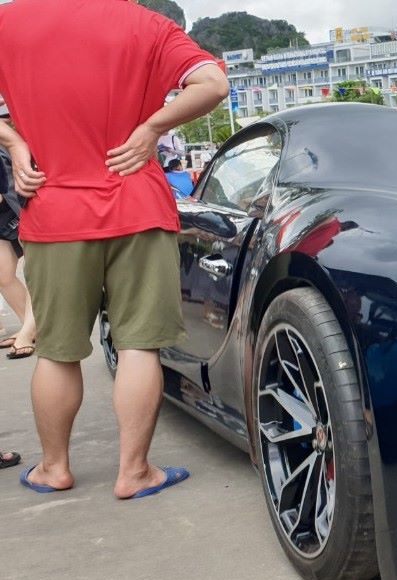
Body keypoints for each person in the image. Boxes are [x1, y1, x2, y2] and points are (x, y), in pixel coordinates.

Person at [0, 0, 228, 498]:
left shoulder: (9, 21)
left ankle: (54, 467)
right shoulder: (145, 23)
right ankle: (135, 471)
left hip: (54, 207)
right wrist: (151, 130)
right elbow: (212, 84)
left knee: (57, 353)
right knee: (138, 346)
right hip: (136, 205)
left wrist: (15, 144)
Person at [0, 100, 36, 360]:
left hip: (22, 209)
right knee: (3, 274)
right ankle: (31, 326)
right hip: (5, 217)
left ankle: (31, 329)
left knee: (36, 271)